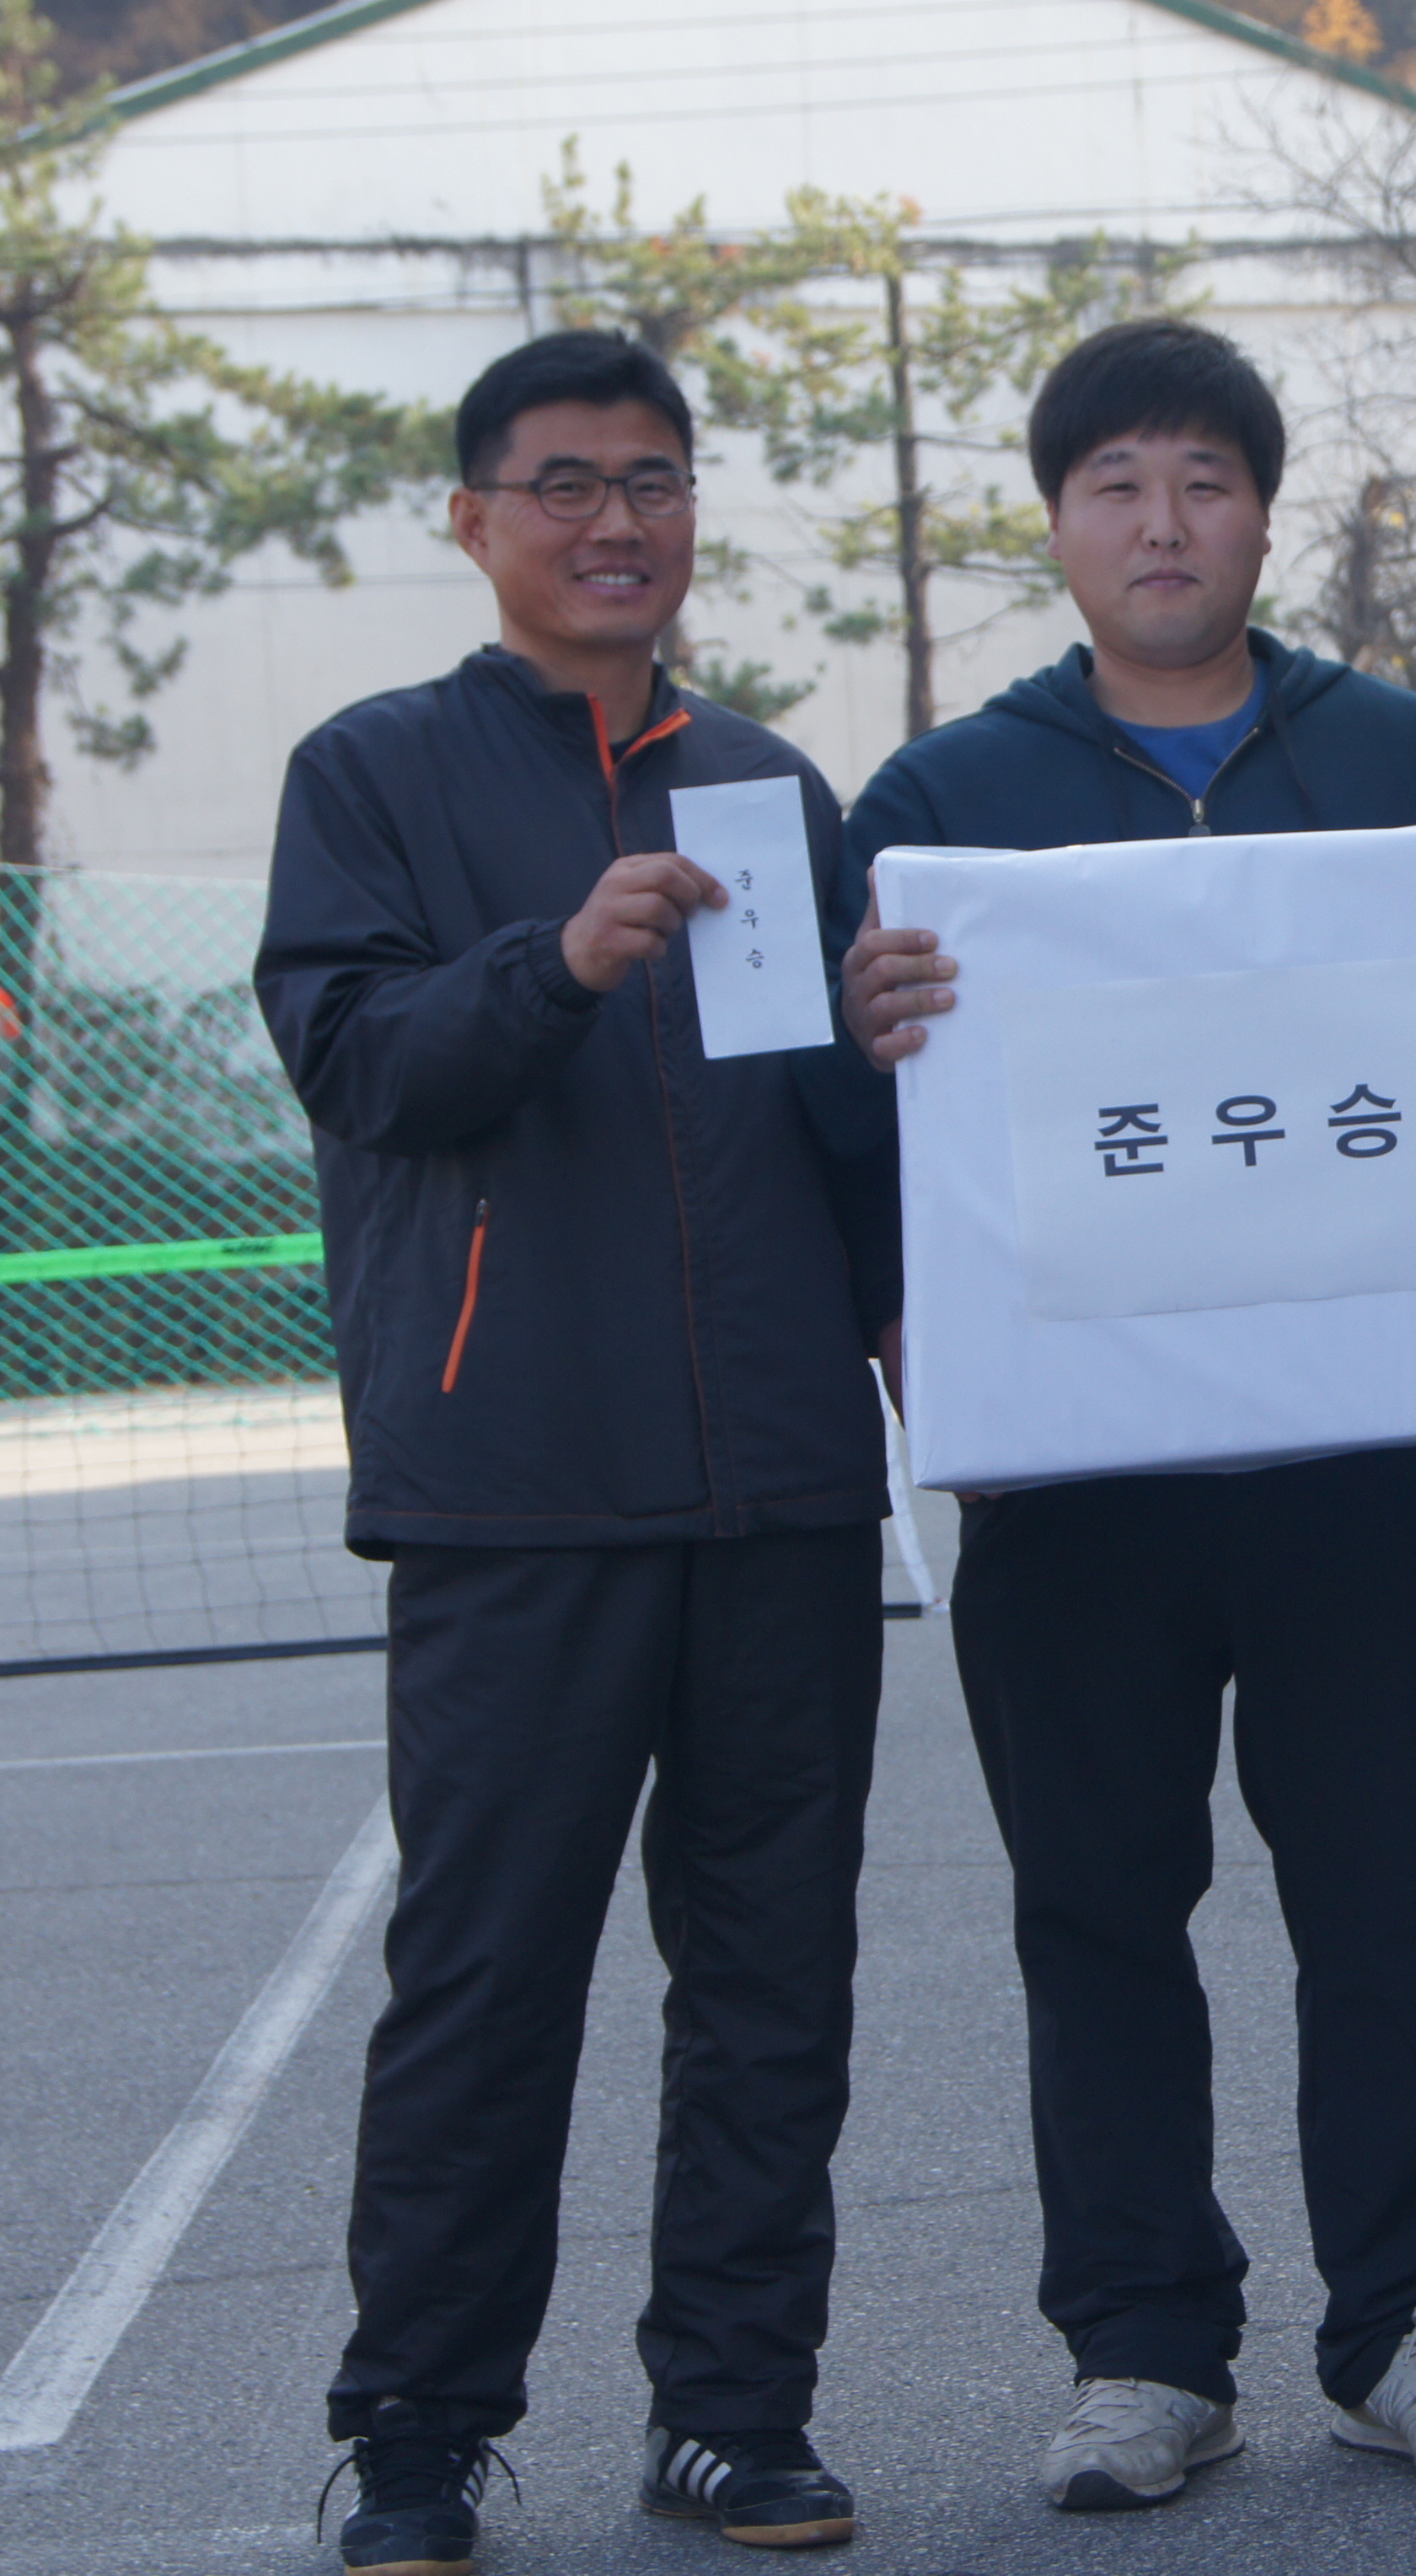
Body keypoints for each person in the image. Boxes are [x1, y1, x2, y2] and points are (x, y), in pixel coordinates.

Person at [833, 317, 1416, 2513]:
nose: (1164, 524)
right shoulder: (941, 809)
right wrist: (868, 1061)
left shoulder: (1413, 762)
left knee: (1388, 1915)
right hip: (1074, 1498)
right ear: (1056, 524)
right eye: (1118, 485)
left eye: (1205, 482)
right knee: (1097, 1921)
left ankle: (1410, 2325)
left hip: (1360, 1482)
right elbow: (860, 1155)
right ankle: (1144, 2351)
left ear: (1263, 513)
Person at [256, 329, 901, 2574]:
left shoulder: (769, 786)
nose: (615, 521)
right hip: (515, 1480)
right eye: (565, 484)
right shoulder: (374, 773)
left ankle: (734, 2412)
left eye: (653, 480)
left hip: (783, 1488)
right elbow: (364, 1064)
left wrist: (886, 1042)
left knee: (773, 1982)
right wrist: (558, 957)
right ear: (475, 521)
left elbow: (830, 1133)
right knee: (487, 1978)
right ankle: (417, 2435)